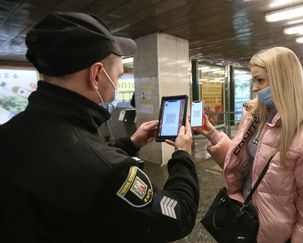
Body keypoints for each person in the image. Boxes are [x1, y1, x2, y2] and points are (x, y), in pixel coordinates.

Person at [0, 12, 199, 242]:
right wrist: (182, 155)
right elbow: (178, 215)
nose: (119, 78)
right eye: (118, 72)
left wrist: (130, 143)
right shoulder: (110, 171)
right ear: (96, 75)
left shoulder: (9, 133)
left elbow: (77, 166)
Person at [194, 47, 303, 242]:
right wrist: (211, 132)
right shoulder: (255, 118)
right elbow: (245, 165)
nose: (254, 87)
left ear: (282, 80)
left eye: (259, 80)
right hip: (244, 222)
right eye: (253, 79)